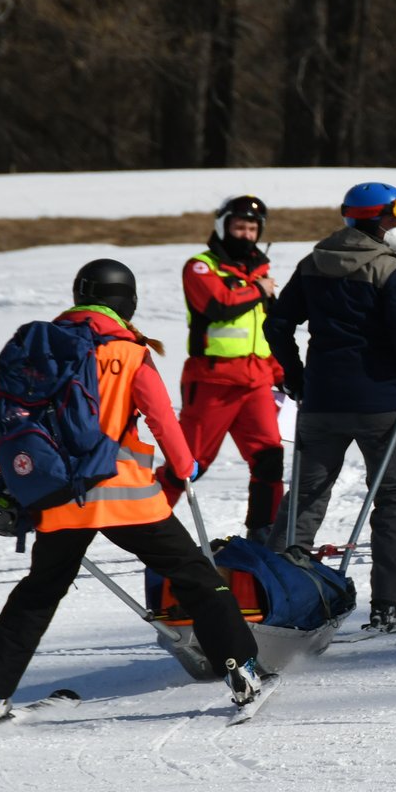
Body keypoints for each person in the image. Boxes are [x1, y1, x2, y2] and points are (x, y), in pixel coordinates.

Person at [0, 258, 262, 727]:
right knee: (196, 578)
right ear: (129, 300)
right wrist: (185, 467)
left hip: (60, 499)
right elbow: (162, 418)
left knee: (38, 593)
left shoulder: (42, 345)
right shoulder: (128, 350)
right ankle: (240, 669)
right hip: (128, 497)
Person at [263, 183, 396, 631]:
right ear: (376, 220)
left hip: (320, 402)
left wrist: (296, 376)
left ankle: (279, 606)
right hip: (378, 404)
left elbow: (278, 324)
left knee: (304, 497)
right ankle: (389, 605)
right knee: (394, 497)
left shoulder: (313, 262)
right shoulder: (391, 271)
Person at [159, 195, 287, 539]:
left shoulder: (261, 274)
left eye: (251, 228)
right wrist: (259, 290)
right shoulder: (201, 267)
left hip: (256, 383)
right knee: (189, 464)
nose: (245, 234)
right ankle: (143, 522)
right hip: (212, 382)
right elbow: (219, 306)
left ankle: (264, 532)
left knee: (269, 459)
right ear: (222, 226)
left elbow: (265, 333)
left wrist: (282, 374)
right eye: (238, 227)